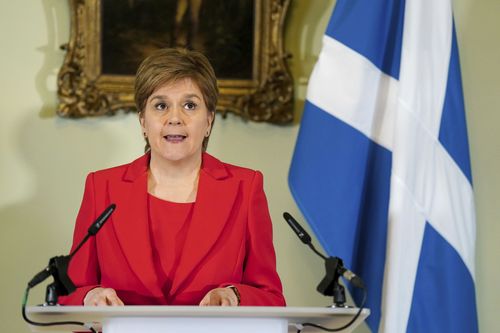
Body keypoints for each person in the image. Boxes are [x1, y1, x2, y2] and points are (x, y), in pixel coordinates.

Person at [58, 48, 285, 307]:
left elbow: (271, 298)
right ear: (143, 120)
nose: (175, 118)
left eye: (190, 105)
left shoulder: (245, 188)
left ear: (209, 120)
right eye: (161, 105)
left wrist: (234, 295)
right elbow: (71, 292)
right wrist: (90, 297)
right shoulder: (102, 187)